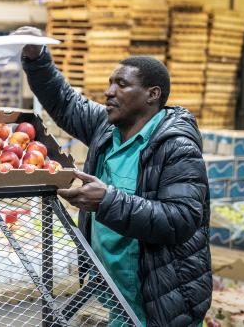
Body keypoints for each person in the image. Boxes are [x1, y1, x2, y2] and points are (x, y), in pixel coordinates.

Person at [17, 26, 211, 327]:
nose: (109, 92)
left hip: (159, 301)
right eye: (110, 83)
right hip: (115, 295)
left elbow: (182, 219)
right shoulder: (107, 129)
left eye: (122, 84)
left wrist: (107, 201)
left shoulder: (176, 146)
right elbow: (65, 101)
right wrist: (37, 56)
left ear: (152, 94)